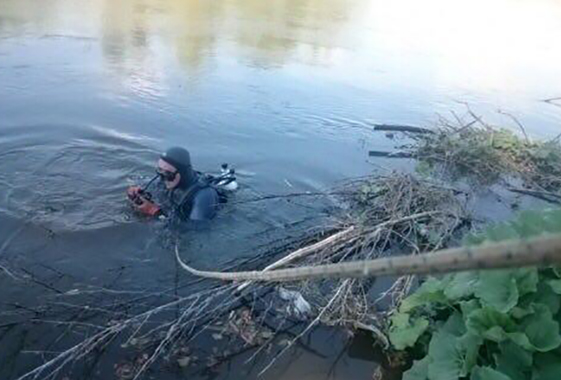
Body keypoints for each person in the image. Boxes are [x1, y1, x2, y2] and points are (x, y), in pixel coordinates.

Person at [127, 147, 231, 221]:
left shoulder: (203, 196)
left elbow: (196, 231)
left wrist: (155, 212)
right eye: (159, 171)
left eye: (167, 174)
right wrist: (139, 192)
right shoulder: (166, 179)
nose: (162, 178)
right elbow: (152, 189)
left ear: (182, 173)